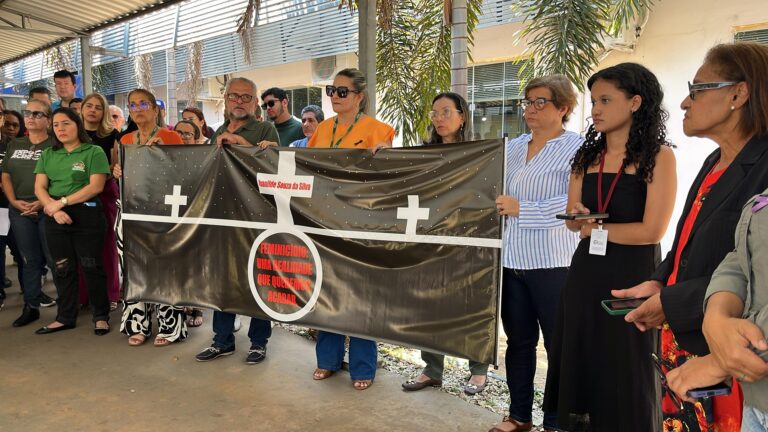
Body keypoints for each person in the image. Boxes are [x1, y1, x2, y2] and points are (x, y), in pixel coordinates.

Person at [616, 42, 768, 431]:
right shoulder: (715, 160)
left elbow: (753, 273)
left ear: (738, 94)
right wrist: (659, 281)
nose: (685, 102)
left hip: (734, 358)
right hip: (686, 340)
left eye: (697, 89)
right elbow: (688, 238)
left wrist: (672, 301)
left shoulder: (763, 167)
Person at [543, 63, 677, 431]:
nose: (595, 110)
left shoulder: (659, 156)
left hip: (634, 276)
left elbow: (652, 230)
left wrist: (595, 228)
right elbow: (573, 223)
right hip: (586, 273)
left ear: (635, 102)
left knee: (628, 367)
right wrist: (578, 219)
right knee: (583, 360)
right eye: (593, 101)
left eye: (605, 100)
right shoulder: (585, 157)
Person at [487, 76, 584, 432]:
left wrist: (522, 208)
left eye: (540, 102)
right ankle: (519, 415)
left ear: (563, 108)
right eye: (527, 101)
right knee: (519, 342)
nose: (530, 108)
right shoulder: (513, 147)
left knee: (559, 345)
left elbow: (575, 203)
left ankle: (556, 420)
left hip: (554, 263)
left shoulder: (578, 148)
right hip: (512, 260)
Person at [308, 68, 394, 390]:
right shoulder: (322, 129)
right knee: (327, 290)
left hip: (360, 223)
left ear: (359, 96)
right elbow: (302, 161)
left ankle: (363, 367)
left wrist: (387, 155)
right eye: (332, 90)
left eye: (342, 91)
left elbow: (387, 174)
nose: (335, 96)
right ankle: (327, 361)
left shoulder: (378, 130)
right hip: (323, 220)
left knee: (359, 294)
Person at [401, 91, 491, 396]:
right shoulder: (425, 154)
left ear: (462, 116)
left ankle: (478, 371)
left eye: (446, 112)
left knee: (471, 303)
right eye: (435, 113)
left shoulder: (480, 154)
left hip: (468, 240)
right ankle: (432, 370)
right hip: (431, 240)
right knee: (430, 304)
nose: (439, 118)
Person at [195, 77, 279, 364]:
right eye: (234, 96)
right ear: (226, 100)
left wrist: (241, 143)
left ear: (255, 102)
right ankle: (222, 340)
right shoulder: (217, 131)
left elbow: (273, 167)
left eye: (246, 97)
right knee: (223, 279)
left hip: (256, 217)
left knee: (258, 277)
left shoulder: (265, 129)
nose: (239, 102)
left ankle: (258, 342)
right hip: (222, 217)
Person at [115, 88, 187, 347]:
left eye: (143, 104)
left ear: (156, 109)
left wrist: (164, 156)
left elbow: (183, 172)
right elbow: (124, 175)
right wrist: (118, 170)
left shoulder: (171, 137)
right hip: (131, 210)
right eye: (133, 105)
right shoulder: (125, 139)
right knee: (134, 268)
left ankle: (170, 326)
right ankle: (137, 324)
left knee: (165, 268)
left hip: (162, 211)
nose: (138, 109)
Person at [32, 107, 110, 335]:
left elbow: (96, 186)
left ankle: (101, 316)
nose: (60, 129)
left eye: (66, 123)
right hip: (55, 216)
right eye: (56, 125)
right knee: (62, 268)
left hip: (87, 214)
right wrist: (54, 209)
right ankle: (65, 316)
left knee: (91, 266)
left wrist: (62, 202)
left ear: (78, 125)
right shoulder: (48, 154)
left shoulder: (93, 151)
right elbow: (39, 188)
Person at [2, 99, 59, 327]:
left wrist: (42, 202)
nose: (31, 117)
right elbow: (6, 175)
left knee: (54, 259)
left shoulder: (55, 144)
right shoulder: (15, 144)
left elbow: (61, 178)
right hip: (19, 211)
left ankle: (66, 306)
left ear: (48, 120)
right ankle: (31, 306)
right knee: (29, 260)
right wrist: (13, 201)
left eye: (37, 114)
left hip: (48, 208)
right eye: (28, 113)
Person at [81, 93, 120, 310]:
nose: (93, 110)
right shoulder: (73, 133)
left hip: (104, 191)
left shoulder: (112, 134)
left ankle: (111, 294)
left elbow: (115, 165)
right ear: (82, 108)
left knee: (107, 245)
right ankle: (83, 295)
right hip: (76, 193)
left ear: (104, 111)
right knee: (81, 247)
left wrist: (96, 181)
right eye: (89, 106)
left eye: (98, 107)